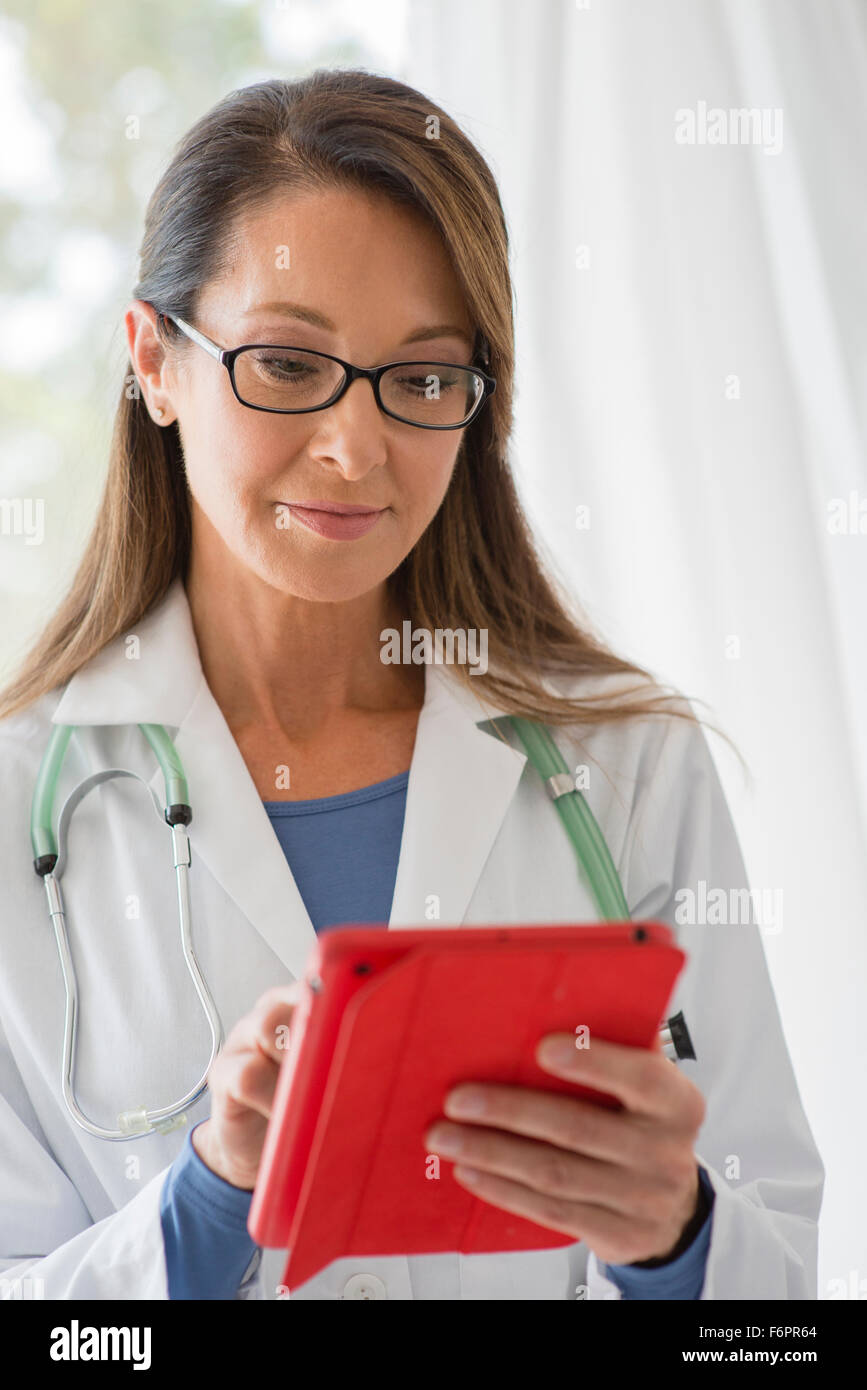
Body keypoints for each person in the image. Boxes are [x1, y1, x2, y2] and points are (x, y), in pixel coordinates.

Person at [0, 69, 822, 1301]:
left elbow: (774, 1314)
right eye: (287, 362)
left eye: (423, 378)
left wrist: (680, 1243)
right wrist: (207, 1206)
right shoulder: (25, 806)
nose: (354, 444)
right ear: (153, 362)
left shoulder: (633, 773)